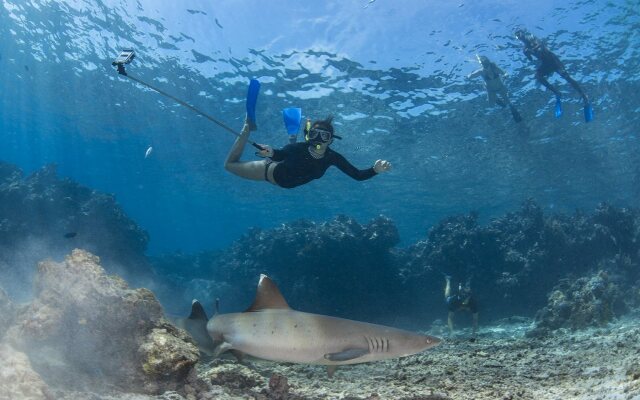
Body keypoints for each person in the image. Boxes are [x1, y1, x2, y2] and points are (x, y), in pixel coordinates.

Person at [224, 116, 392, 188]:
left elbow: (357, 175)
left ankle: (294, 134)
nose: (318, 139)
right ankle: (247, 128)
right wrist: (270, 152)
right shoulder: (298, 147)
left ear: (331, 140)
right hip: (268, 170)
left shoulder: (332, 157)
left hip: (286, 173)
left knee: (292, 150)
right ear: (309, 136)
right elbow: (280, 154)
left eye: (324, 136)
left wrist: (375, 170)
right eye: (314, 134)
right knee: (229, 165)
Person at [514, 28, 593, 121]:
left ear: (523, 34)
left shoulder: (532, 38)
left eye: (520, 35)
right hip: (546, 64)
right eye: (518, 37)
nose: (520, 38)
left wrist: (531, 49)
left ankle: (584, 95)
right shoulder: (525, 49)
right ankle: (557, 92)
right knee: (538, 77)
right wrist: (527, 54)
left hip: (553, 60)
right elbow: (531, 59)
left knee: (567, 78)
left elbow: (541, 46)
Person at [468, 54, 522, 122]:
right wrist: (470, 75)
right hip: (491, 90)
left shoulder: (495, 69)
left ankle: (514, 112)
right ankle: (497, 100)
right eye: (484, 65)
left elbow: (504, 73)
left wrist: (506, 75)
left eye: (486, 65)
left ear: (489, 63)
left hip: (501, 87)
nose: (485, 67)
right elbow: (470, 76)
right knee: (491, 104)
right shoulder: (481, 71)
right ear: (482, 65)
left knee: (508, 101)